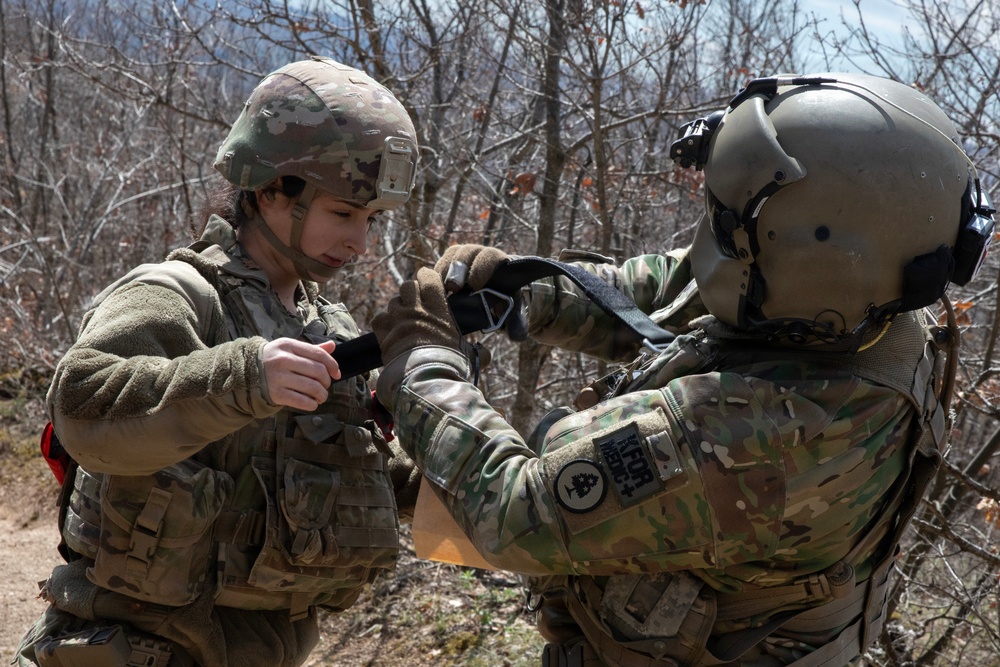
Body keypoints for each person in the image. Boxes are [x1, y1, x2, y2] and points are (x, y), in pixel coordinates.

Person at [370, 73, 995, 666]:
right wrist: (523, 292)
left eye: (727, 228)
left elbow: (515, 512)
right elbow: (673, 291)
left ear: (809, 260)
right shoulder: (859, 305)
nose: (707, 239)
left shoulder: (766, 437)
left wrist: (422, 364)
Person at [15, 56, 421, 667]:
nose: (360, 242)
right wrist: (245, 377)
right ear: (268, 190)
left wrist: (474, 458)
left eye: (372, 220)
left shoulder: (328, 329)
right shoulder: (176, 293)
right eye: (343, 213)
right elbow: (82, 407)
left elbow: (365, 478)